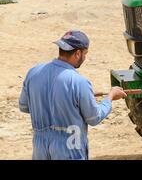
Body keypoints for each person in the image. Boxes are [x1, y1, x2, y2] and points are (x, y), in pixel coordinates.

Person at [18, 30, 127, 160]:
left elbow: (24, 106)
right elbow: (94, 118)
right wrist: (110, 97)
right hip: (69, 149)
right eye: (85, 54)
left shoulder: (33, 73)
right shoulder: (79, 82)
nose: (85, 58)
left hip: (40, 148)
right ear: (77, 53)